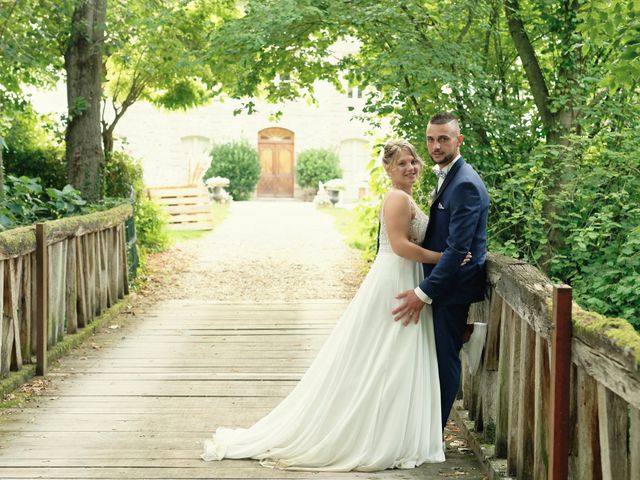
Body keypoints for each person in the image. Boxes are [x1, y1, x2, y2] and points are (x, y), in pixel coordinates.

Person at [201, 139, 467, 471]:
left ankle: (392, 428)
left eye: (413, 161)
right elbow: (399, 246)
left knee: (394, 355)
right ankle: (379, 432)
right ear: (388, 169)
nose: (411, 167)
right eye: (402, 163)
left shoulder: (407, 196)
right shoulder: (397, 198)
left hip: (403, 276)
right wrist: (446, 258)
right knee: (388, 353)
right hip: (396, 278)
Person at [392, 112, 489, 434]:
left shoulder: (465, 184)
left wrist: (423, 293)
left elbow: (459, 250)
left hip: (451, 287)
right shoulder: (447, 176)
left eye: (443, 138)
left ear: (458, 140)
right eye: (431, 139)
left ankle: (433, 435)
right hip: (441, 283)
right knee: (434, 355)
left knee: (444, 359)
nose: (435, 145)